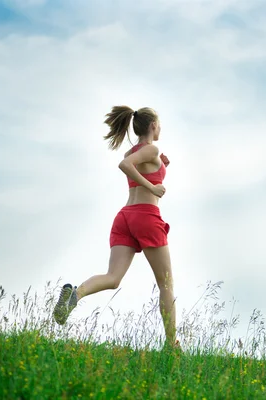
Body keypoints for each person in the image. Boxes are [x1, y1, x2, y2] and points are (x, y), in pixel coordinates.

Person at [52, 105, 177, 348]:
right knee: (166, 284)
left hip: (125, 217)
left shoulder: (138, 152)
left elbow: (136, 166)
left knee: (112, 278)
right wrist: (153, 187)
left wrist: (161, 167)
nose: (161, 128)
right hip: (146, 216)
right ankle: (172, 346)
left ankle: (74, 296)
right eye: (159, 124)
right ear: (153, 126)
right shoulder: (151, 149)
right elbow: (126, 166)